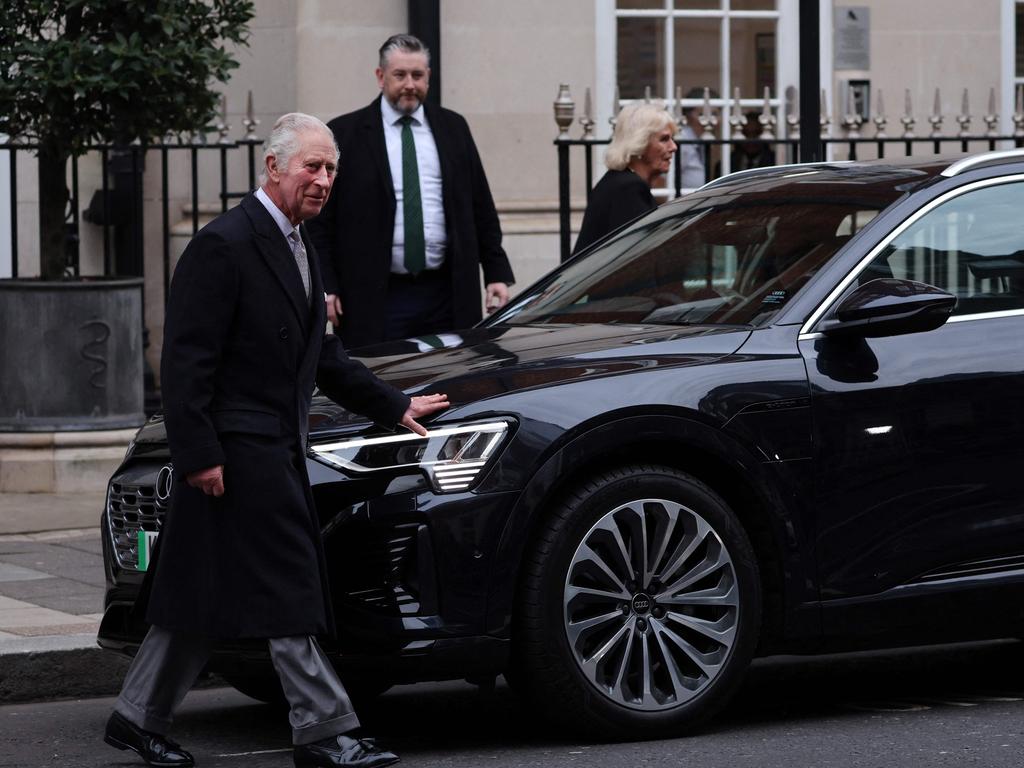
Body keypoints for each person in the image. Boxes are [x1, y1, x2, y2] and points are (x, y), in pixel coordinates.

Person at [102, 113, 449, 768]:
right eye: (311, 167)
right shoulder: (225, 244)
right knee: (289, 586)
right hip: (237, 454)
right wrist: (199, 453)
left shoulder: (299, 245)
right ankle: (324, 730)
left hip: (273, 449)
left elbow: (327, 358)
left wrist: (394, 403)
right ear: (273, 168)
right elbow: (186, 362)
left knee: (197, 594)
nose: (322, 180)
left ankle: (135, 717)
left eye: (331, 170)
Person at [306, 34, 515, 349]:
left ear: (428, 77)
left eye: (417, 75)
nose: (409, 84)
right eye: (399, 75)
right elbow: (322, 220)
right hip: (376, 294)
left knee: (454, 380)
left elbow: (479, 204)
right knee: (381, 383)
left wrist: (497, 272)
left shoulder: (453, 127)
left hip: (448, 291)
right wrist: (327, 285)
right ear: (380, 77)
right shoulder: (346, 133)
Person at [573, 102, 677, 254]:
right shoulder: (628, 188)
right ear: (640, 143)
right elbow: (639, 256)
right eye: (664, 139)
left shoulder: (620, 182)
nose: (673, 147)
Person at [677, 86, 709, 190]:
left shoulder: (700, 141)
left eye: (715, 114)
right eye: (700, 114)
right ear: (687, 115)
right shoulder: (683, 140)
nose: (708, 120)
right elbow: (664, 180)